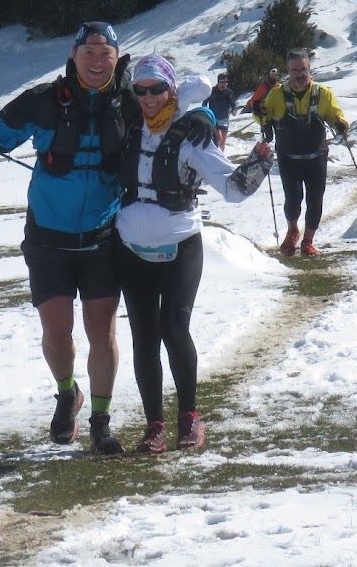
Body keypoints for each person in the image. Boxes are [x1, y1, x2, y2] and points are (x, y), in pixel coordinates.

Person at [0, 23, 216, 454]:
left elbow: (170, 109)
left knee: (102, 333)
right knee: (57, 335)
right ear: (74, 56)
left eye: (105, 53)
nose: (97, 61)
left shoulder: (129, 104)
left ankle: (100, 421)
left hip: (103, 238)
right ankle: (66, 393)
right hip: (48, 237)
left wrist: (206, 116)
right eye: (89, 52)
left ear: (117, 59)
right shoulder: (44, 100)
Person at [114, 55, 274, 454]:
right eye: (141, 90)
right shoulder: (127, 127)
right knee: (143, 338)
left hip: (180, 245)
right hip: (131, 250)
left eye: (157, 90)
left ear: (170, 90)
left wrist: (260, 161)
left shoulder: (192, 136)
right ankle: (154, 425)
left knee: (173, 328)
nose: (149, 98)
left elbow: (235, 189)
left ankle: (190, 417)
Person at [259, 49, 349, 256]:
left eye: (303, 69)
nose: (299, 74)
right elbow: (265, 113)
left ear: (309, 69)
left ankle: (308, 241)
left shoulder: (323, 94)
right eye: (294, 70)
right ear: (288, 71)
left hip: (316, 156)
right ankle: (292, 231)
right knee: (292, 198)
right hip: (288, 157)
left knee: (315, 200)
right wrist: (261, 115)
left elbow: (335, 114)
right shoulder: (276, 95)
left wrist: (340, 123)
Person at [203, 72, 239, 149]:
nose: (224, 85)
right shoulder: (212, 91)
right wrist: (205, 113)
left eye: (225, 83)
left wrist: (234, 110)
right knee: (219, 139)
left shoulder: (228, 92)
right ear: (218, 82)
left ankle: (221, 157)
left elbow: (233, 104)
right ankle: (212, 152)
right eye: (222, 82)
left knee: (223, 143)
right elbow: (204, 103)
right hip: (214, 118)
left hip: (225, 118)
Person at [244, 68, 279, 142]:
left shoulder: (278, 86)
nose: (274, 77)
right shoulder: (264, 87)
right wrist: (256, 110)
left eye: (275, 75)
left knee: (279, 135)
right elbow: (254, 99)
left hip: (275, 115)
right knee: (269, 137)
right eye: (272, 75)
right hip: (265, 116)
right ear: (269, 75)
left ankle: (278, 150)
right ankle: (261, 150)